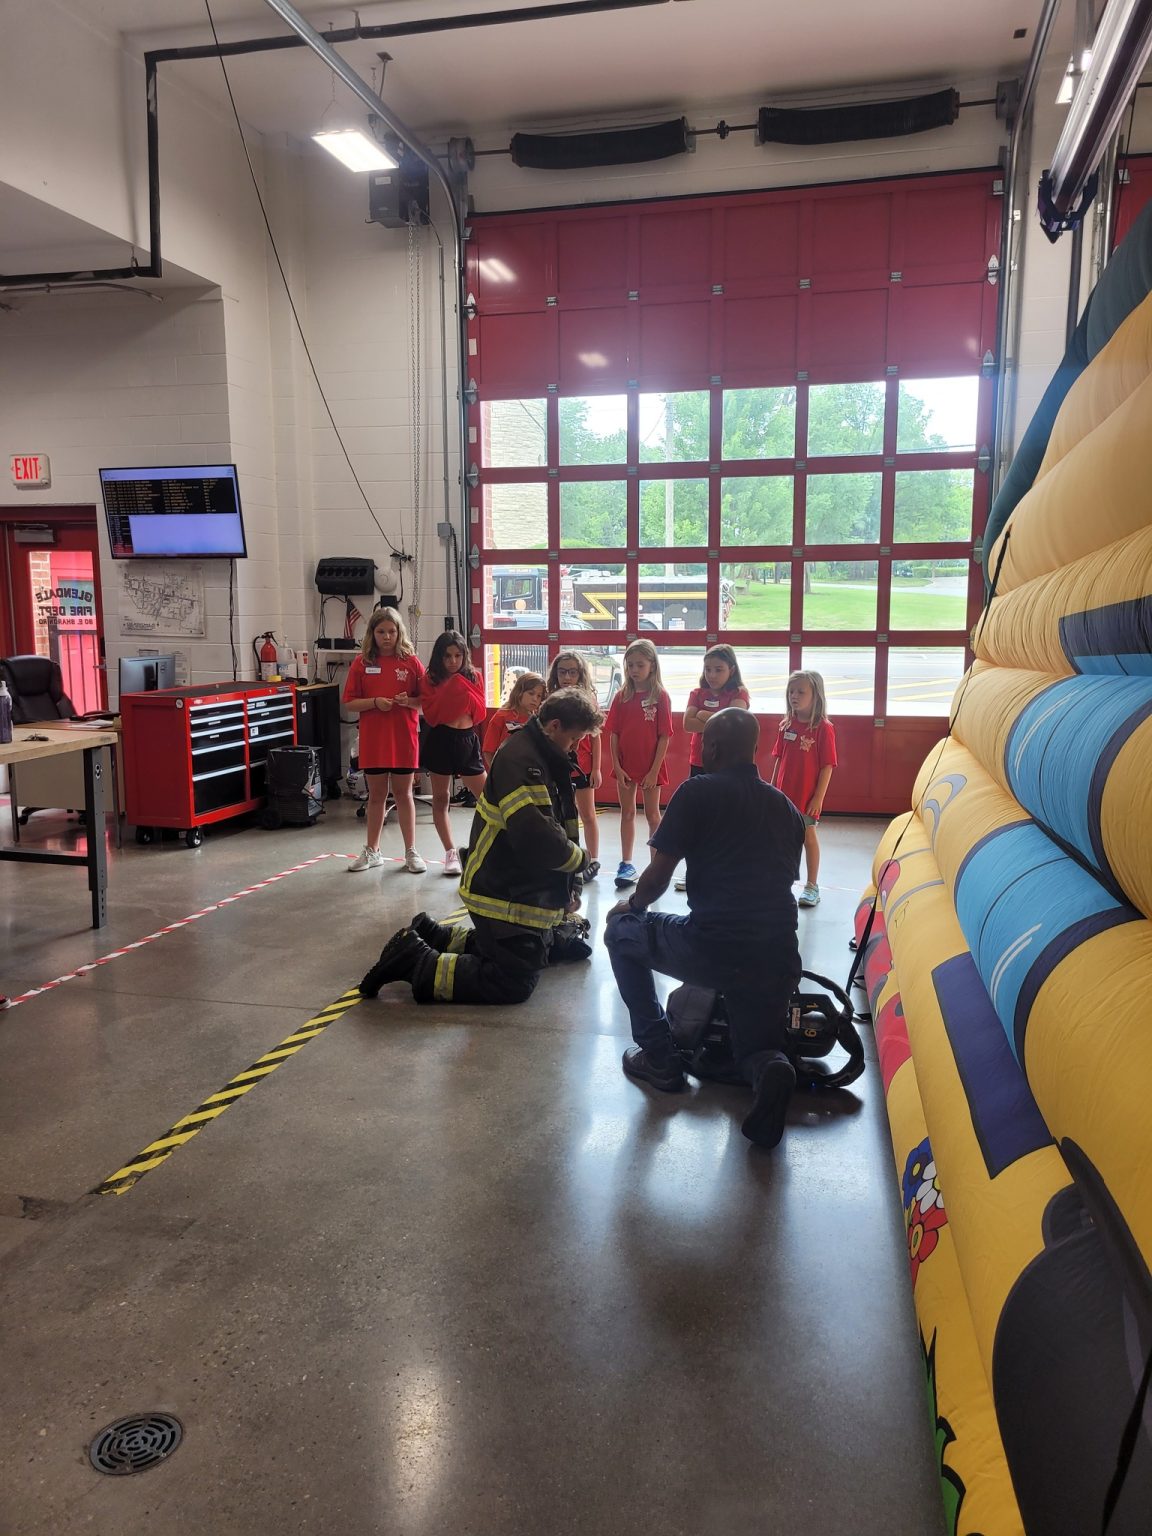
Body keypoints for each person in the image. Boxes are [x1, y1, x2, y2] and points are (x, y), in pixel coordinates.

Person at [604, 707, 805, 1149]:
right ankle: (770, 1068)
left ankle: (659, 1057)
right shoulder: (785, 807)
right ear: (754, 750)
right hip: (777, 957)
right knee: (753, 1049)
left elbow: (656, 878)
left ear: (710, 748)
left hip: (712, 949)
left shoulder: (697, 792)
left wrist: (629, 907)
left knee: (621, 934)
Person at [360, 688, 604, 1006]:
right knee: (513, 980)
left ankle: (435, 935)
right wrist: (580, 861)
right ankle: (415, 961)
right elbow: (537, 838)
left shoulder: (538, 752)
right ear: (555, 726)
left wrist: (569, 884)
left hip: (511, 883)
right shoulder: (524, 761)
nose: (576, 748)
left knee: (543, 950)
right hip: (503, 890)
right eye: (575, 739)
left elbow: (557, 827)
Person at [342, 606, 427, 874]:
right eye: (381, 632)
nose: (387, 637)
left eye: (392, 631)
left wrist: (409, 701)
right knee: (376, 795)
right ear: (372, 633)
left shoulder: (411, 662)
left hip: (403, 737)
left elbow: (425, 700)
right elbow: (349, 703)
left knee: (403, 794)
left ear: (399, 631)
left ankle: (411, 851)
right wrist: (375, 703)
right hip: (374, 739)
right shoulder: (361, 663)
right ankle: (372, 850)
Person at [675, 643, 750, 891]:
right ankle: (694, 869)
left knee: (728, 819)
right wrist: (717, 717)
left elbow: (734, 723)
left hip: (729, 765)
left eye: (718, 669)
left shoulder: (739, 692)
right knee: (699, 818)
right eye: (708, 669)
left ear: (731, 669)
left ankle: (727, 869)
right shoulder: (697, 693)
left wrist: (705, 716)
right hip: (700, 762)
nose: (712, 675)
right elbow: (688, 724)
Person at [603, 638, 673, 889]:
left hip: (651, 767)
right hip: (625, 765)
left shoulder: (660, 697)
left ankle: (656, 865)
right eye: (630, 665)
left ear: (652, 666)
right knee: (628, 813)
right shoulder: (622, 697)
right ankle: (626, 862)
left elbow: (664, 735)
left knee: (653, 815)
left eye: (639, 665)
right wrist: (617, 766)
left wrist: (654, 770)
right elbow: (614, 734)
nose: (634, 670)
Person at [421, 629, 487, 876]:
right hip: (441, 740)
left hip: (467, 740)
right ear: (439, 657)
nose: (452, 661)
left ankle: (488, 848)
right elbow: (432, 713)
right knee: (441, 798)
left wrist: (461, 687)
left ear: (464, 656)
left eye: (457, 656)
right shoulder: (431, 679)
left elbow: (479, 712)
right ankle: (450, 852)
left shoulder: (473, 676)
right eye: (447, 656)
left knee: (489, 797)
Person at [769, 670, 837, 908]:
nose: (794, 696)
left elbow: (827, 766)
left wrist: (818, 797)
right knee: (783, 839)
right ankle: (782, 880)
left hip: (806, 795)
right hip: (783, 795)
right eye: (791, 691)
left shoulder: (823, 728)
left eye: (800, 692)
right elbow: (778, 758)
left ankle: (812, 886)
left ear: (815, 695)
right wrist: (771, 789)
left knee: (808, 836)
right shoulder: (786, 724)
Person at [547, 650, 603, 883]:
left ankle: (592, 859)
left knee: (588, 814)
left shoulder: (588, 699)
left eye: (572, 672)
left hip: (583, 765)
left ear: (580, 674)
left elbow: (596, 736)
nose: (567, 676)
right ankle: (565, 857)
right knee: (558, 814)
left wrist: (597, 768)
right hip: (556, 764)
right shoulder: (551, 699)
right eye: (562, 672)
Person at [482, 671, 545, 767]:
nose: (535, 699)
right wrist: (495, 771)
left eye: (539, 696)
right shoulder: (501, 716)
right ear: (519, 692)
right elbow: (488, 750)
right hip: (505, 771)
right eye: (531, 693)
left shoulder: (538, 720)